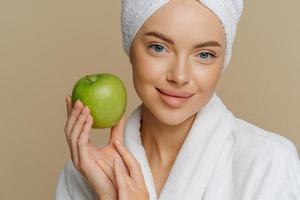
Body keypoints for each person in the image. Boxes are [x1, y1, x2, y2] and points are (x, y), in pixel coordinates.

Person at [56, 0, 300, 199]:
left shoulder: (268, 163)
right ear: (130, 46)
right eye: (159, 48)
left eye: (204, 54)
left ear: (223, 61)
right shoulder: (83, 174)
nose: (179, 76)